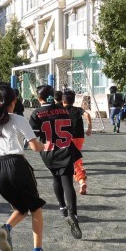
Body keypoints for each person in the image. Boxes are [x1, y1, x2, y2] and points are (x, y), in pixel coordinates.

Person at [0, 85, 55, 251]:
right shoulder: (18, 119)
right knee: (36, 209)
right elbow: (34, 146)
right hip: (17, 166)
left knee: (22, 207)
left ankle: (6, 228)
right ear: (14, 101)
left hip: (0, 170)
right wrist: (46, 146)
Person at [30, 84, 83, 239]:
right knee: (68, 183)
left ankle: (62, 207)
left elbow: (33, 135)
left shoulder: (37, 113)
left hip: (49, 151)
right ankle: (73, 214)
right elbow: (71, 129)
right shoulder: (63, 110)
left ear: (39, 97)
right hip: (66, 149)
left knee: (56, 178)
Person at [62, 90, 92, 195]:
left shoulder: (61, 110)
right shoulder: (78, 109)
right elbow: (87, 114)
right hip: (79, 137)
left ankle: (81, 180)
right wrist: (89, 127)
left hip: (67, 137)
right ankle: (81, 170)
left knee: (71, 160)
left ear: (63, 101)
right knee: (76, 157)